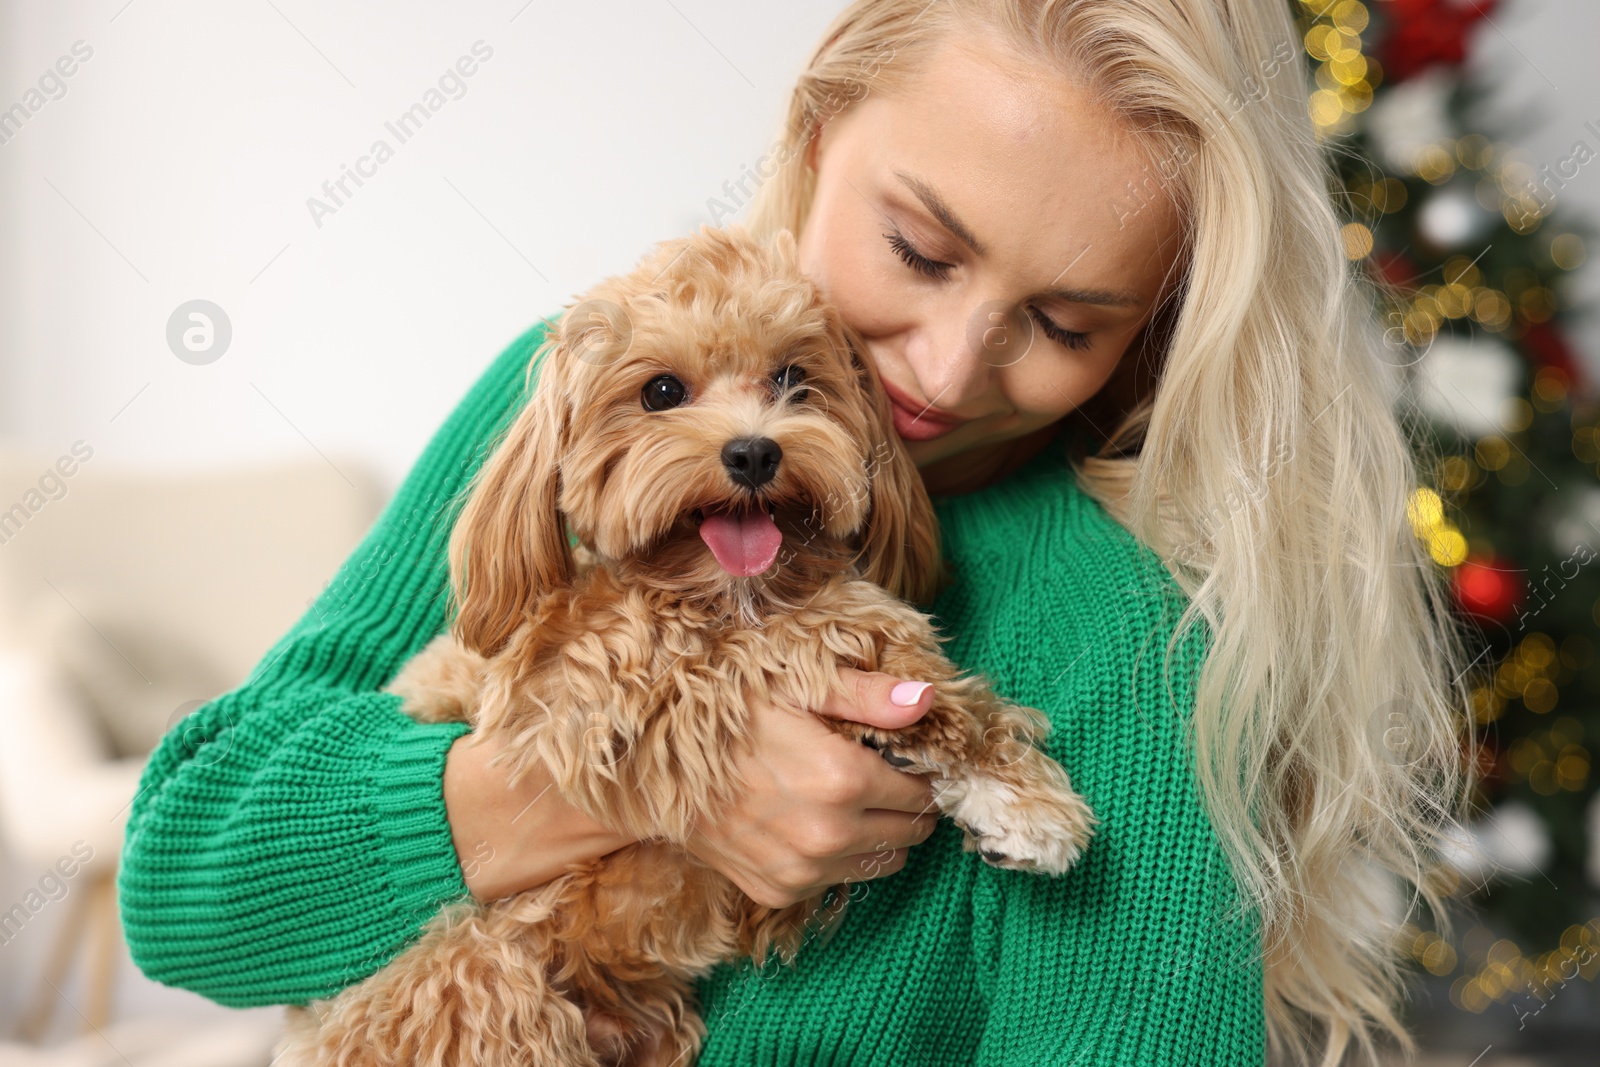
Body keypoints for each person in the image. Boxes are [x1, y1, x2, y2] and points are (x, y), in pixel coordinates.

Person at [118, 1, 1480, 1064]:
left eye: (1065, 324)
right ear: (821, 129)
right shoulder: (577, 397)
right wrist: (612, 777)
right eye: (918, 247)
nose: (946, 371)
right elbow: (185, 889)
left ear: (1152, 336)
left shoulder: (1129, 636)